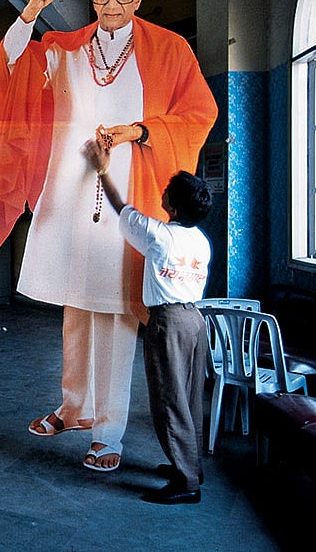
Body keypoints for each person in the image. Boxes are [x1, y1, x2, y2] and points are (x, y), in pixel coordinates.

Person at [0, 0, 217, 471]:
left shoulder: (169, 49)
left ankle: (108, 433)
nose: (110, 3)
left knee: (114, 313)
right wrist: (32, 10)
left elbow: (200, 113)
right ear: (93, 0)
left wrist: (140, 131)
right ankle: (74, 408)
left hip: (128, 191)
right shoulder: (66, 47)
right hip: (69, 193)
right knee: (76, 307)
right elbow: (6, 73)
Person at [83, 141, 212, 504]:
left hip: (168, 323)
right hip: (195, 322)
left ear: (173, 204)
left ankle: (186, 484)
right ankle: (190, 466)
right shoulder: (200, 242)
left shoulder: (158, 235)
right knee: (188, 397)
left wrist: (103, 168)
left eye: (168, 192)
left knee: (169, 401)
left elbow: (121, 208)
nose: (163, 193)